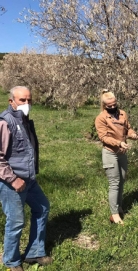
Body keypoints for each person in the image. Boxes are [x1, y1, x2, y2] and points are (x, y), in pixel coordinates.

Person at [0, 86, 52, 271]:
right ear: (11, 101)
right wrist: (13, 179)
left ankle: (35, 252)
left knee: (42, 207)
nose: (27, 104)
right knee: (15, 222)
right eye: (22, 100)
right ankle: (12, 261)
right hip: (12, 182)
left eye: (29, 100)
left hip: (29, 179)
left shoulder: (25, 120)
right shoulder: (5, 122)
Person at [95, 90, 138, 225]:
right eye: (110, 106)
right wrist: (119, 143)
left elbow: (128, 128)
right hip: (110, 153)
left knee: (122, 180)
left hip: (122, 153)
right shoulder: (101, 118)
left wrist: (132, 134)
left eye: (114, 104)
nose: (113, 107)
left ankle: (119, 206)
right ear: (104, 105)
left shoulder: (123, 114)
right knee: (114, 183)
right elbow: (103, 137)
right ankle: (114, 214)